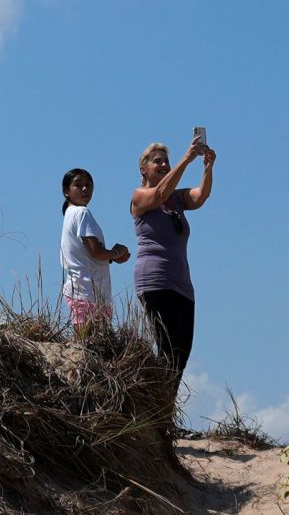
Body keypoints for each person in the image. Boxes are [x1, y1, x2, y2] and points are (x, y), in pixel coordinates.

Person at [132, 138, 215, 389]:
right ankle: (157, 410)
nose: (164, 164)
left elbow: (200, 197)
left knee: (182, 354)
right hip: (155, 280)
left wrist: (207, 167)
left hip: (182, 284)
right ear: (143, 169)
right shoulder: (139, 196)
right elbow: (158, 194)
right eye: (158, 161)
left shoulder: (176, 199)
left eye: (166, 161)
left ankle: (164, 410)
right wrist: (187, 159)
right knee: (169, 348)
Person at [58, 168, 130, 336]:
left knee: (85, 340)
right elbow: (95, 252)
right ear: (66, 191)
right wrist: (116, 253)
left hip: (80, 288)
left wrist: (111, 257)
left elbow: (87, 253)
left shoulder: (70, 214)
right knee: (91, 343)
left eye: (88, 185)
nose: (85, 189)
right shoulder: (82, 213)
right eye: (78, 185)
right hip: (88, 291)